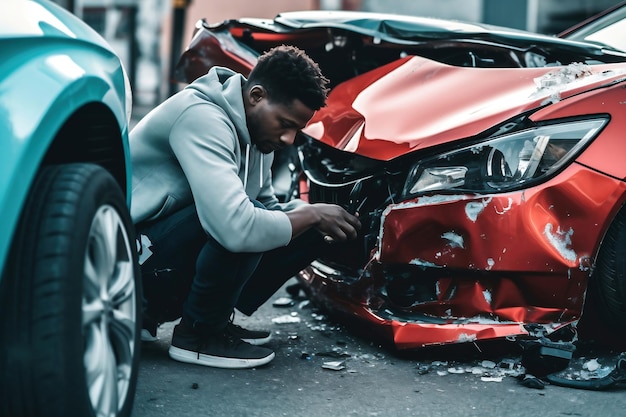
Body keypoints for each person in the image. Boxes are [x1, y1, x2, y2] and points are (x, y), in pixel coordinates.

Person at [130, 45, 361, 369]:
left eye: (296, 128)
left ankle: (215, 316)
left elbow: (265, 204)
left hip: (162, 256)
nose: (288, 139)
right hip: (130, 264)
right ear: (255, 96)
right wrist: (307, 214)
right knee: (249, 219)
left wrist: (312, 215)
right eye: (285, 123)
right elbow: (235, 227)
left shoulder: (258, 135)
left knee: (309, 226)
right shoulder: (202, 116)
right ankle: (198, 335)